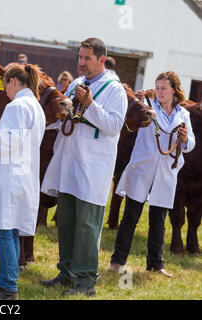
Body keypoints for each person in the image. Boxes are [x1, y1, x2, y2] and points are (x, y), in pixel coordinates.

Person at [40, 37, 128, 296]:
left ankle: (87, 281)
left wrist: (90, 105)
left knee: (87, 226)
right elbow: (64, 116)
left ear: (101, 59)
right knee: (66, 222)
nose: (81, 63)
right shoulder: (77, 84)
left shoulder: (115, 90)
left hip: (93, 167)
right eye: (80, 57)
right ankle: (66, 273)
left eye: (87, 58)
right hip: (69, 162)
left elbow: (113, 126)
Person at [109, 71, 195, 277]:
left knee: (158, 220)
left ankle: (156, 264)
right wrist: (137, 102)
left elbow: (190, 145)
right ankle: (117, 262)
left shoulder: (184, 115)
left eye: (163, 88)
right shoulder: (147, 108)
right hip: (143, 169)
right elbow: (131, 115)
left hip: (166, 173)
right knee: (130, 217)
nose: (159, 92)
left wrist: (184, 139)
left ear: (174, 90)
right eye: (157, 88)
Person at [0, 63, 46, 300]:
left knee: (4, 232)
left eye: (5, 85)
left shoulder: (17, 107)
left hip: (11, 179)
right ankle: (4, 281)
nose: (5, 90)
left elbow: (6, 142)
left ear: (13, 81)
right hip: (21, 175)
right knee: (11, 231)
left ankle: (8, 288)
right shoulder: (35, 106)